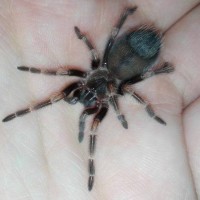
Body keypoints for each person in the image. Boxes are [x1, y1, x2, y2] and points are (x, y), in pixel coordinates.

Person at [1, 1, 200, 199]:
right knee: (116, 68)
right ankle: (158, 67)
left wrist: (133, 106)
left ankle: (158, 66)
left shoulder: (107, 81)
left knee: (112, 79)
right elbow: (93, 55)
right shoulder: (101, 78)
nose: (87, 98)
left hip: (132, 54)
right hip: (140, 55)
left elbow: (96, 51)